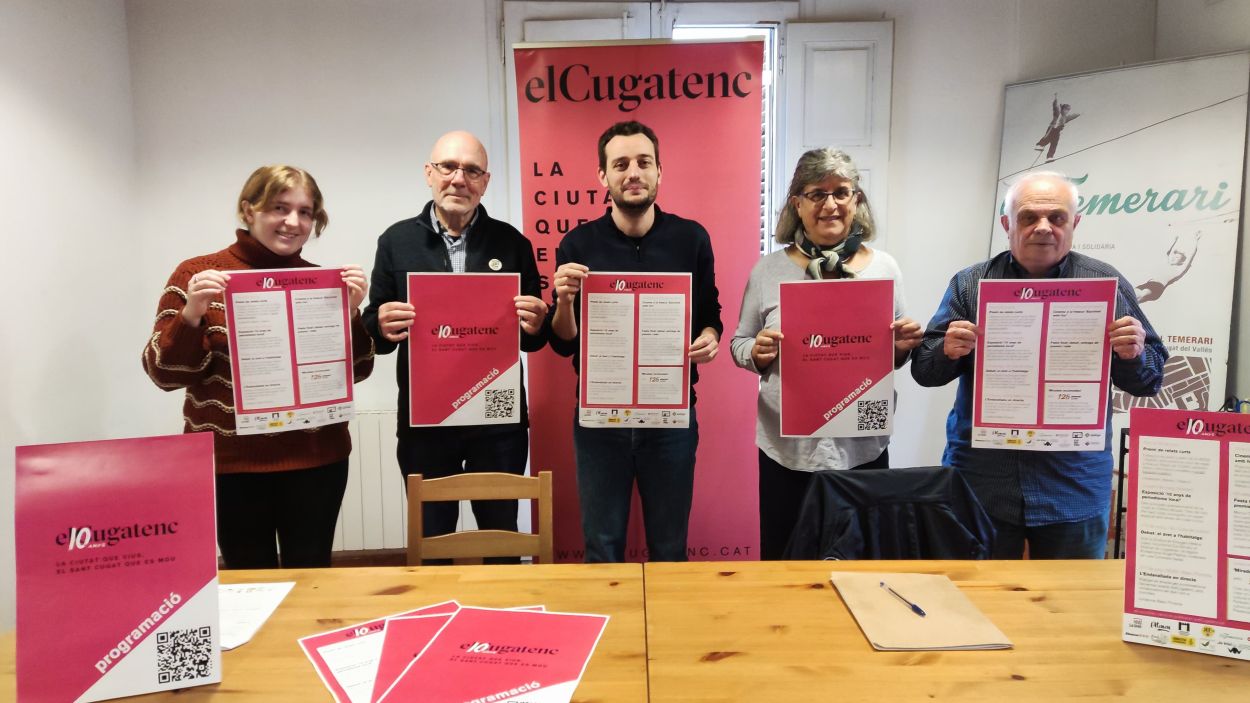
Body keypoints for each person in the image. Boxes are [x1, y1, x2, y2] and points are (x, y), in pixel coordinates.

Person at [911, 171, 1168, 559]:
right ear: (1007, 224)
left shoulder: (1105, 284)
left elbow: (1150, 380)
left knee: (1071, 609)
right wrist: (947, 351)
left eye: (1057, 218)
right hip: (982, 481)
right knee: (974, 603)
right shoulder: (970, 284)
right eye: (1029, 217)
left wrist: (1132, 354)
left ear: (1075, 223)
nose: (1043, 228)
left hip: (1072, 483)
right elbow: (923, 371)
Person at [142, 165, 375, 568]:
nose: (293, 222)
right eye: (279, 208)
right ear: (249, 211)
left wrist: (351, 313)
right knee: (250, 580)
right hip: (234, 464)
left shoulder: (322, 284)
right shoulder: (198, 276)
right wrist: (192, 313)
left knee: (311, 575)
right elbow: (164, 374)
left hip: (317, 461)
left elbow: (357, 371)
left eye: (305, 212)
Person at [729, 148, 923, 560]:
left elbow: (893, 353)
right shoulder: (768, 271)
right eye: (817, 193)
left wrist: (902, 346)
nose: (830, 204)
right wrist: (757, 351)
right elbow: (739, 344)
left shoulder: (884, 268)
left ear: (856, 201)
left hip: (861, 446)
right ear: (797, 204)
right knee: (787, 562)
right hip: (788, 451)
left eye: (841, 192)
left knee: (862, 562)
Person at [363, 131, 547, 557]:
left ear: (486, 181)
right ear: (429, 173)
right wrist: (381, 323)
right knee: (434, 545)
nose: (459, 179)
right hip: (425, 426)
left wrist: (535, 323)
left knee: (501, 542)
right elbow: (377, 332)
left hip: (497, 426)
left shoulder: (512, 243)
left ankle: (504, 621)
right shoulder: (396, 242)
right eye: (448, 167)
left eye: (472, 170)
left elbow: (529, 340)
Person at [548, 120, 722, 563]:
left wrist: (708, 338)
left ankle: (670, 633)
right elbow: (565, 343)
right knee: (602, 548)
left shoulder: (692, 238)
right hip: (600, 423)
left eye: (644, 162)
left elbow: (710, 315)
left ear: (659, 172)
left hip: (671, 420)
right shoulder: (577, 244)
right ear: (602, 177)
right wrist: (564, 301)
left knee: (669, 549)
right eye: (620, 163)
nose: (633, 172)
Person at [1034, 93, 1079, 162]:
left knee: (1054, 144)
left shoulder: (1065, 117)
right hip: (1052, 128)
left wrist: (1079, 114)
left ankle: (1049, 157)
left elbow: (1072, 117)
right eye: (1066, 109)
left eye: (1068, 110)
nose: (1067, 111)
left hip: (1057, 131)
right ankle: (1040, 145)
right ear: (1063, 109)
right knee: (1047, 138)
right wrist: (1055, 99)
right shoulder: (1057, 112)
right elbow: (1055, 106)